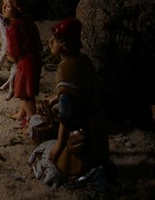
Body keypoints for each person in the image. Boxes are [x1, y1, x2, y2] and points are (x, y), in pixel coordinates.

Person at [45, 17, 111, 183]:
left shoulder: (65, 67)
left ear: (65, 44)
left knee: (63, 166)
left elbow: (67, 112)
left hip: (81, 129)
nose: (51, 42)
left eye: (56, 40)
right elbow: (81, 91)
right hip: (97, 124)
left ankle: (89, 175)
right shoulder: (84, 60)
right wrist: (56, 99)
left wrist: (59, 144)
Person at [2, 0, 42, 126]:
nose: (3, 8)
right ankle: (21, 113)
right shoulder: (29, 22)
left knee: (24, 94)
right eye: (3, 4)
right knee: (28, 89)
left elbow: (13, 51)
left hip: (24, 62)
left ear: (18, 8)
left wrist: (10, 57)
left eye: (8, 6)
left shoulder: (12, 28)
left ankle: (33, 121)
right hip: (35, 59)